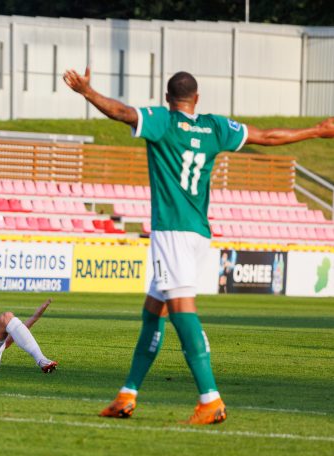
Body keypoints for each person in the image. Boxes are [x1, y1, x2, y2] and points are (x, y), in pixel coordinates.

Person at [64, 67, 334, 424]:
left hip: (172, 230)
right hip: (198, 232)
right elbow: (267, 136)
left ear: (167, 98)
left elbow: (121, 112)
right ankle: (127, 394)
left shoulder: (162, 122)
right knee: (153, 312)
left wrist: (87, 91)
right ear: (198, 98)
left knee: (180, 310)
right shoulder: (215, 127)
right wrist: (317, 130)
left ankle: (210, 399)